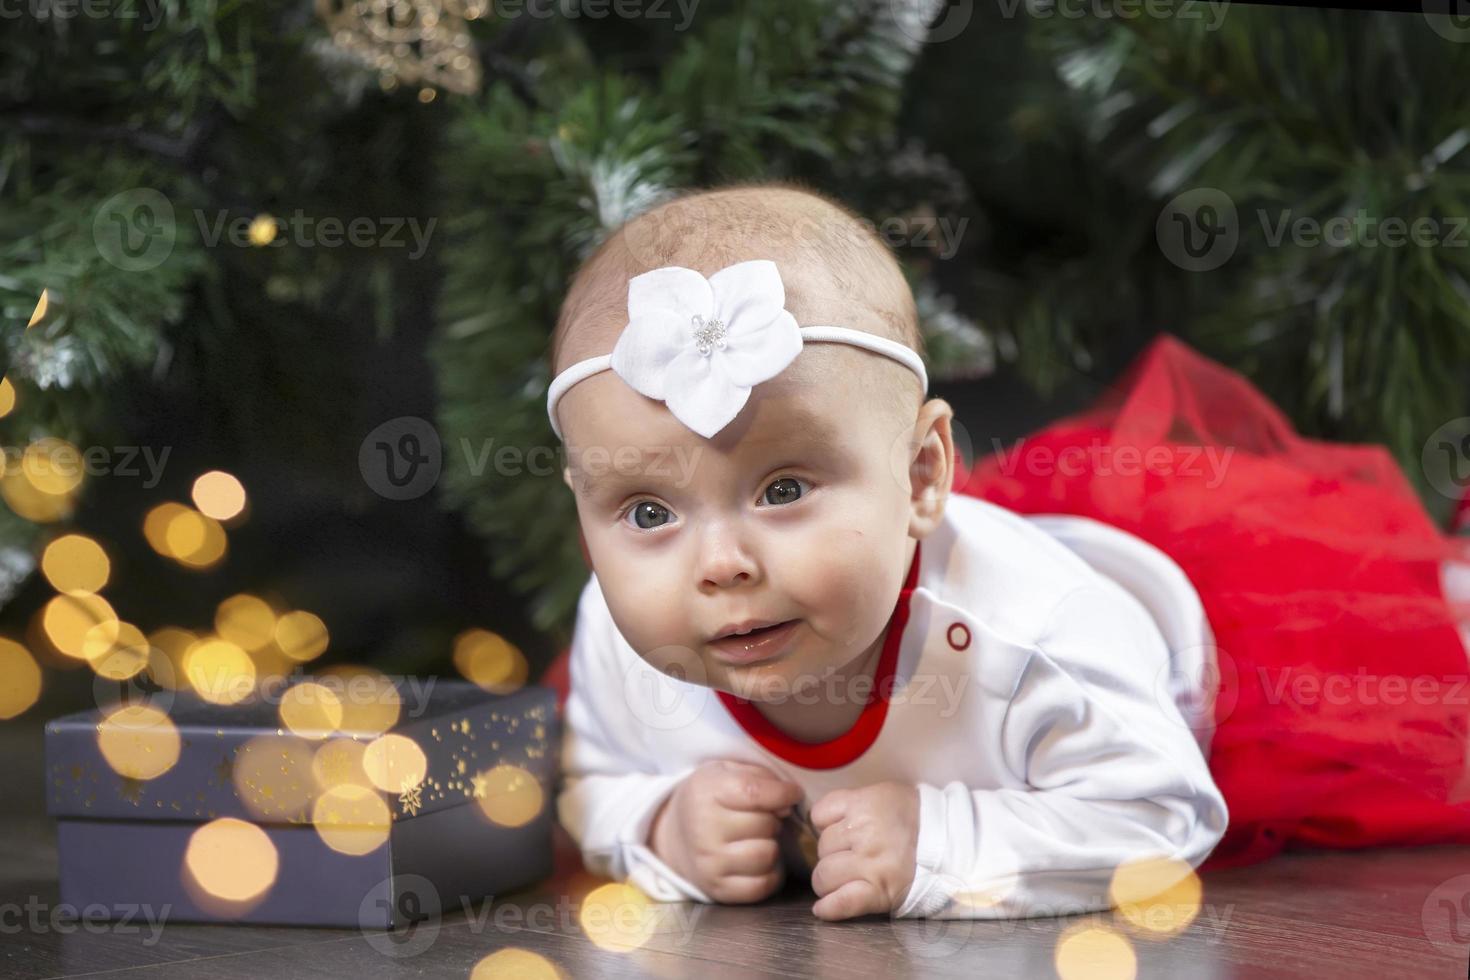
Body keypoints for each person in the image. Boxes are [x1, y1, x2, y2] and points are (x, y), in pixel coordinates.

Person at [549, 182, 1232, 921]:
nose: (721, 564)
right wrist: (660, 826)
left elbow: (1164, 813)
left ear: (921, 474)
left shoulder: (1031, 640)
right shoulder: (620, 644)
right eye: (649, 511)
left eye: (783, 491)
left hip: (1164, 684)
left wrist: (939, 839)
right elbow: (590, 785)